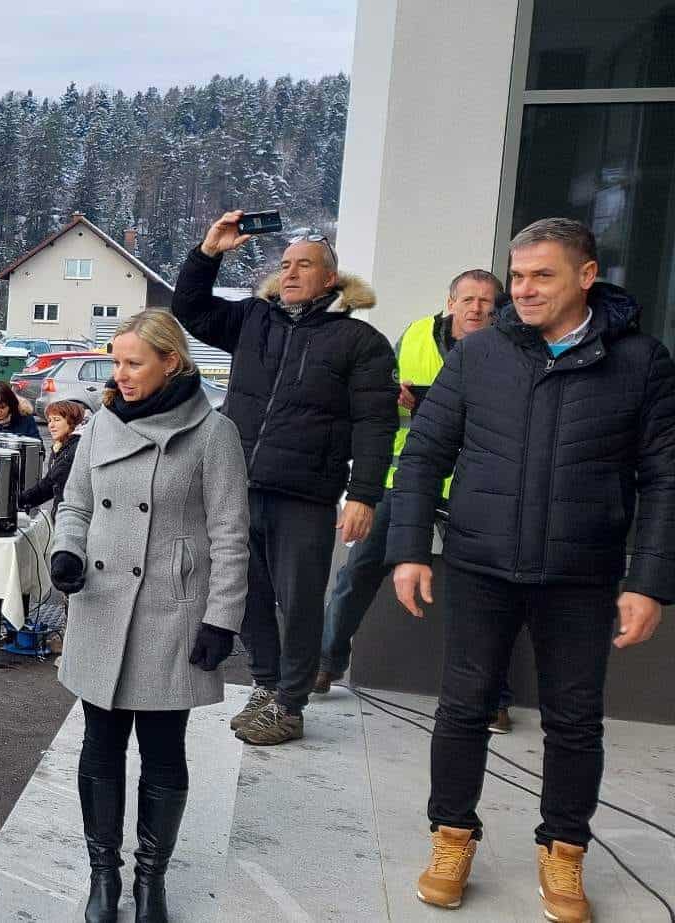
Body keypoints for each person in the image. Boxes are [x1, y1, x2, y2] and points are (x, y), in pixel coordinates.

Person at [390, 219, 671, 923]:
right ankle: (452, 837)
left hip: (582, 571)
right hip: (481, 562)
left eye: (542, 275)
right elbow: (424, 453)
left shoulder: (639, 361)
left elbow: (666, 477)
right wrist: (409, 548)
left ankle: (565, 851)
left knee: (574, 721)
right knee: (462, 707)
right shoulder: (480, 354)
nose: (524, 290)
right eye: (517, 277)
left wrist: (650, 580)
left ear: (586, 276)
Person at [47, 310, 250, 923]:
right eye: (115, 361)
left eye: (133, 362)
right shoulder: (101, 427)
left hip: (173, 613)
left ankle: (150, 882)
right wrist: (66, 550)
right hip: (102, 607)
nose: (120, 374)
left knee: (164, 754)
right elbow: (75, 504)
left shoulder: (214, 434)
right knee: (100, 749)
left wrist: (223, 618)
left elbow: (231, 536)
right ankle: (103, 878)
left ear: (172, 362)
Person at [172, 212, 397, 746]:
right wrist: (209, 251)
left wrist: (363, 494)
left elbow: (375, 423)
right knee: (242, 591)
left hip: (304, 492)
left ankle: (291, 703)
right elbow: (190, 309)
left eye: (306, 266)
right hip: (236, 484)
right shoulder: (254, 319)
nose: (292, 273)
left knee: (298, 601)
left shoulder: (359, 341)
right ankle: (266, 685)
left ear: (330, 280)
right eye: (287, 263)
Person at [315, 269, 501, 694]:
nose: (476, 308)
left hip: (472, 486)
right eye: (468, 299)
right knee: (357, 573)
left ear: (497, 309)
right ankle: (325, 664)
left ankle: (491, 694)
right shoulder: (415, 336)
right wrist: (391, 393)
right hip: (407, 478)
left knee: (484, 593)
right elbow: (377, 398)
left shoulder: (508, 347)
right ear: (450, 302)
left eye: (486, 301)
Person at [17, 400, 87, 512]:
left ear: (72, 422)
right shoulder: (61, 446)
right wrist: (20, 500)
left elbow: (51, 484)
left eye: (57, 420)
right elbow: (49, 483)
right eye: (49, 420)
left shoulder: (76, 449)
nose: (51, 425)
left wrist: (18, 501)